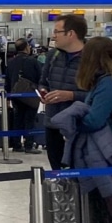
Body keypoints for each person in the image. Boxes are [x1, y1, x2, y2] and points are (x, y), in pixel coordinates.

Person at [54, 36, 112, 223]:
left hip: (107, 155)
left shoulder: (107, 83)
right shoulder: (101, 83)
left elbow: (94, 119)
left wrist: (76, 114)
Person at [39, 14, 88, 169]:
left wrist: (70, 95)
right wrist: (43, 92)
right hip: (53, 122)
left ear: (71, 34)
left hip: (79, 126)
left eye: (57, 31)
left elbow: (100, 95)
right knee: (57, 171)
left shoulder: (93, 59)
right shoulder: (53, 55)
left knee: (80, 173)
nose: (53, 36)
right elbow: (42, 82)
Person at [4, 39, 43, 154]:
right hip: (30, 95)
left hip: (15, 94)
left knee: (18, 119)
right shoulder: (33, 61)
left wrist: (8, 97)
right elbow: (40, 77)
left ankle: (16, 145)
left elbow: (7, 80)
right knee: (29, 120)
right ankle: (28, 145)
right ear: (27, 47)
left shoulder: (11, 62)